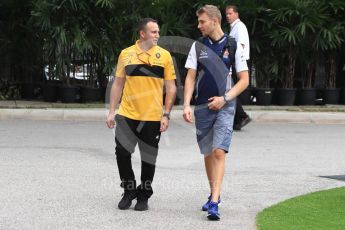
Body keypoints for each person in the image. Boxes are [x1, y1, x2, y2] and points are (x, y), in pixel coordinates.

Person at [183, 5, 249, 220]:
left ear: (214, 20)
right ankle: (214, 193)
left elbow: (244, 80)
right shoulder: (198, 46)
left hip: (226, 106)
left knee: (219, 152)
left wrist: (225, 99)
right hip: (202, 107)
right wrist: (186, 105)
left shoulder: (233, 45)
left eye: (202, 21)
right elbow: (191, 77)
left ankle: (214, 202)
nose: (199, 25)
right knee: (208, 153)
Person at [106, 18, 176, 211]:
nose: (158, 35)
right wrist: (112, 111)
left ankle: (144, 195)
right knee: (122, 153)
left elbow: (171, 88)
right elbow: (118, 84)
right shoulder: (126, 54)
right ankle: (129, 190)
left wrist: (166, 114)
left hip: (152, 116)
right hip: (127, 114)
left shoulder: (165, 56)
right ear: (142, 34)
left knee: (148, 158)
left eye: (158, 32)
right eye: (154, 32)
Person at [225, 4, 251, 131]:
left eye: (230, 13)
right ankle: (239, 118)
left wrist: (233, 61)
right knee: (233, 91)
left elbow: (240, 46)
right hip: (236, 62)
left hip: (239, 63)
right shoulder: (234, 27)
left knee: (232, 91)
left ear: (237, 14)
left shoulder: (239, 27)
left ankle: (242, 116)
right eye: (227, 14)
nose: (228, 16)